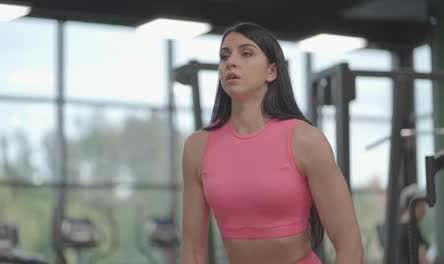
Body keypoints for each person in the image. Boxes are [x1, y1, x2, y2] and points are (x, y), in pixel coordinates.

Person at [180, 22, 363, 264]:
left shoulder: (305, 140)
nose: (230, 62)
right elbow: (192, 249)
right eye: (224, 56)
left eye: (245, 53)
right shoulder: (197, 147)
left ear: (272, 71)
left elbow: (350, 246)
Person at [398, 184, 430, 264]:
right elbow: (423, 261)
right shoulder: (412, 229)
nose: (424, 210)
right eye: (422, 205)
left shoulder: (397, 228)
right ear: (413, 206)